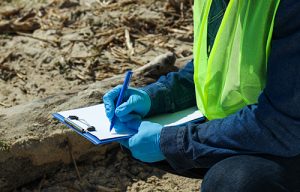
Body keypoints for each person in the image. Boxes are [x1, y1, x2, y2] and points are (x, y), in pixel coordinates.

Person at [103, 0, 300, 191]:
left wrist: (175, 143)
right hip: (258, 128)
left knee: (234, 182)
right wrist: (154, 98)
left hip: (288, 135)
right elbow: (213, 65)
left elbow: (283, 124)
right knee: (132, 137)